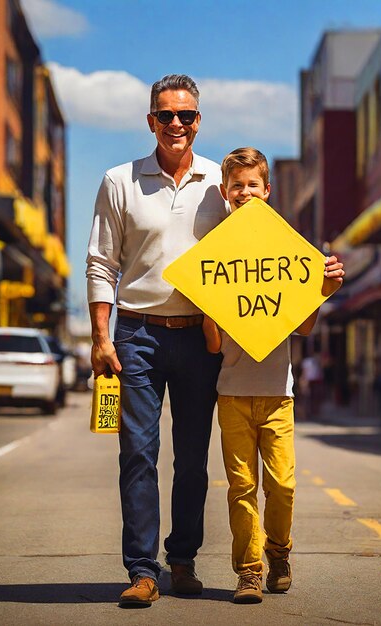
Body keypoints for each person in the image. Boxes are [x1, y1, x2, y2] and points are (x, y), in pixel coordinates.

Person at [86, 74, 228, 607]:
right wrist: (102, 337)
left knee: (192, 458)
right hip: (137, 334)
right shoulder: (119, 181)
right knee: (138, 454)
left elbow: (254, 249)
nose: (176, 124)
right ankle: (143, 570)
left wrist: (319, 274)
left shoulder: (220, 182)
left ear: (198, 121)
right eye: (166, 115)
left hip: (201, 338)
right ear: (150, 121)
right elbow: (102, 263)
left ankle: (183, 560)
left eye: (186, 116)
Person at [202, 147, 345, 604]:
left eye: (253, 185)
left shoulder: (287, 251)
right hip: (232, 394)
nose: (245, 193)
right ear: (227, 194)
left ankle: (279, 551)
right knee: (241, 489)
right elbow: (211, 344)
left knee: (282, 485)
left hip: (277, 394)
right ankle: (249, 571)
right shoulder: (215, 254)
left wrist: (325, 289)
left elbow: (303, 326)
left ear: (268, 191)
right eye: (237, 186)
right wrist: (209, 307)